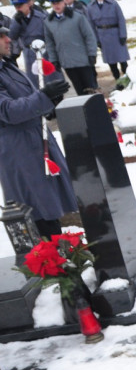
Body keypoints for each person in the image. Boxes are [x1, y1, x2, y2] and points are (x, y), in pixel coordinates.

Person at [0, 27, 77, 239]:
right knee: (38, 211)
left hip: (33, 141)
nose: (8, 39)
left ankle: (58, 262)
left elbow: (25, 98)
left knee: (49, 207)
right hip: (19, 150)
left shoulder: (6, 66)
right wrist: (43, 97)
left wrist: (49, 101)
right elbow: (8, 111)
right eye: (1, 36)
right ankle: (49, 264)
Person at [43, 0, 98, 96]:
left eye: (58, 2)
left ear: (64, 2)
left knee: (90, 89)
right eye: (53, 3)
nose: (56, 6)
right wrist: (54, 60)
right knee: (79, 90)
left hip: (83, 60)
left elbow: (89, 36)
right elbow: (50, 43)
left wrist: (92, 54)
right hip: (67, 62)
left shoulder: (77, 17)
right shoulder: (48, 22)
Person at [86, 0, 130, 81]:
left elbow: (121, 20)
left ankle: (128, 79)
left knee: (123, 60)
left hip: (116, 34)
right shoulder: (90, 7)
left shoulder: (113, 4)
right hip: (103, 36)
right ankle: (118, 80)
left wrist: (123, 35)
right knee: (111, 62)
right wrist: (96, 40)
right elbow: (91, 25)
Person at [10, 0, 46, 87]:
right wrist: (17, 23)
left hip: (43, 51)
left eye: (20, 6)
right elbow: (12, 36)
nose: (18, 9)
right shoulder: (16, 19)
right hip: (29, 52)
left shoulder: (41, 17)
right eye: (16, 7)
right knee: (34, 81)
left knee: (47, 78)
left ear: (28, 5)